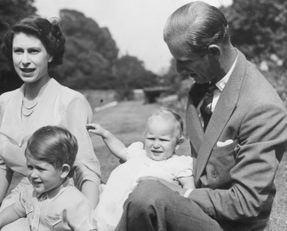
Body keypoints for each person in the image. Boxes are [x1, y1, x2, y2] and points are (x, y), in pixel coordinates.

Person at [116, 2, 287, 231]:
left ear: (214, 52)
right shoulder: (203, 87)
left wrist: (183, 193)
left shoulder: (262, 107)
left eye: (184, 61)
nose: (177, 70)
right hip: (199, 210)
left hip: (233, 225)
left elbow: (247, 202)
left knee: (148, 195)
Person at [0, 15, 101, 230]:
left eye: (34, 51)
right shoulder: (4, 102)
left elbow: (86, 170)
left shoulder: (70, 101)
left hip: (61, 200)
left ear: (51, 55)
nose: (24, 60)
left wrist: (87, 216)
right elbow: (1, 164)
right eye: (18, 51)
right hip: (25, 197)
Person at [87, 108, 194, 231]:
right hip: (110, 211)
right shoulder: (138, 153)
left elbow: (189, 192)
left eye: (163, 140)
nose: (156, 144)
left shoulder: (178, 164)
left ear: (178, 143)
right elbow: (121, 150)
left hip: (139, 220)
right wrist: (104, 134)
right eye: (151, 138)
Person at [0, 126, 97, 231]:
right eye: (30, 167)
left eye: (40, 169)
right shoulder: (31, 192)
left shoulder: (74, 203)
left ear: (63, 171)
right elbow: (16, 210)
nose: (33, 174)